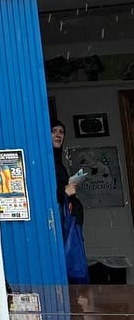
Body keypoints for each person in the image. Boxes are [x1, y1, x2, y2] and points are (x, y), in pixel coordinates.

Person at [51, 119, 89, 283]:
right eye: (54, 131)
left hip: (70, 221)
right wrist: (63, 192)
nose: (59, 135)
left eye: (61, 132)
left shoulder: (57, 161)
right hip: (60, 225)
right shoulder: (46, 161)